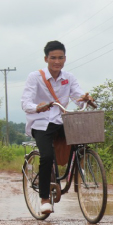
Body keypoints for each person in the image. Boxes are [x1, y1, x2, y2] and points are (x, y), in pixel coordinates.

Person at [21, 40, 93, 214]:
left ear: (65, 59)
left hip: (61, 121)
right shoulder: (35, 77)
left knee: (82, 141)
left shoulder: (69, 78)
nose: (57, 61)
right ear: (46, 59)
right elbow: (25, 102)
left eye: (60, 58)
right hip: (41, 123)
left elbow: (77, 96)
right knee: (46, 157)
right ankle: (45, 198)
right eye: (53, 58)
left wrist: (85, 99)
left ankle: (77, 171)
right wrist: (37, 107)